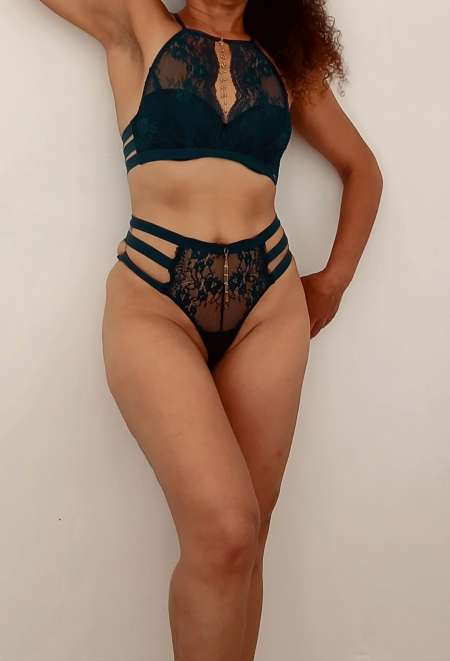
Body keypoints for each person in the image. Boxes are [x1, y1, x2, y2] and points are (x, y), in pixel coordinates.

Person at [38, 1, 383, 659]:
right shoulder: (140, 24)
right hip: (155, 299)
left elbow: (362, 170)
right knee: (225, 531)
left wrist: (332, 282)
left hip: (268, 306)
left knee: (249, 540)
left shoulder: (286, 61)